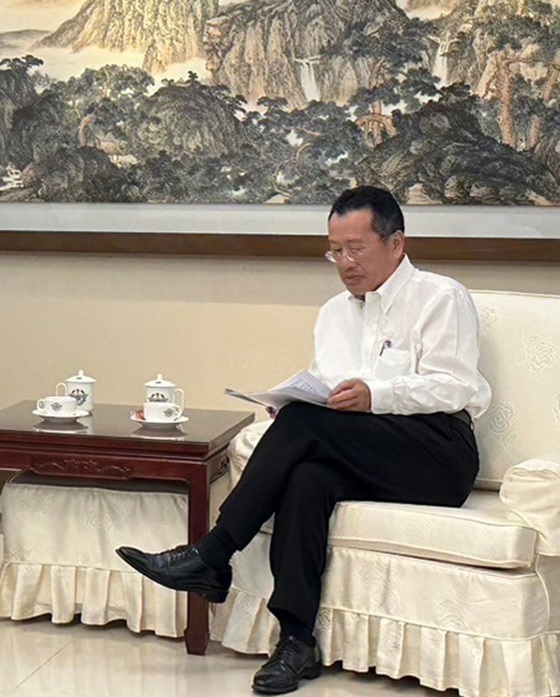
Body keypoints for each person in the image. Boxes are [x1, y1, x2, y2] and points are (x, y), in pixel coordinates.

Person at [117, 185, 490, 694]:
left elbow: (455, 386)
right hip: (361, 450)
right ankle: (296, 641)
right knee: (306, 477)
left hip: (438, 454)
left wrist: (375, 395)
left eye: (356, 249)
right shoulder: (334, 312)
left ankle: (213, 553)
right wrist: (296, 401)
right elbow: (326, 390)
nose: (344, 263)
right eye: (335, 251)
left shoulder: (441, 297)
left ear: (396, 244)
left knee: (302, 428)